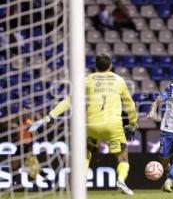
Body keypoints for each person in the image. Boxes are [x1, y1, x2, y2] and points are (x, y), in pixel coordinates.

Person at [28, 53, 138, 195]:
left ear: (95, 66)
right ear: (111, 65)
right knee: (122, 157)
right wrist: (133, 124)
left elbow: (69, 100)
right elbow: (130, 104)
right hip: (113, 125)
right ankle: (121, 181)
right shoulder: (119, 80)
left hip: (91, 125)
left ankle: (82, 180)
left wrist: (49, 117)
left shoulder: (87, 80)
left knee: (86, 152)